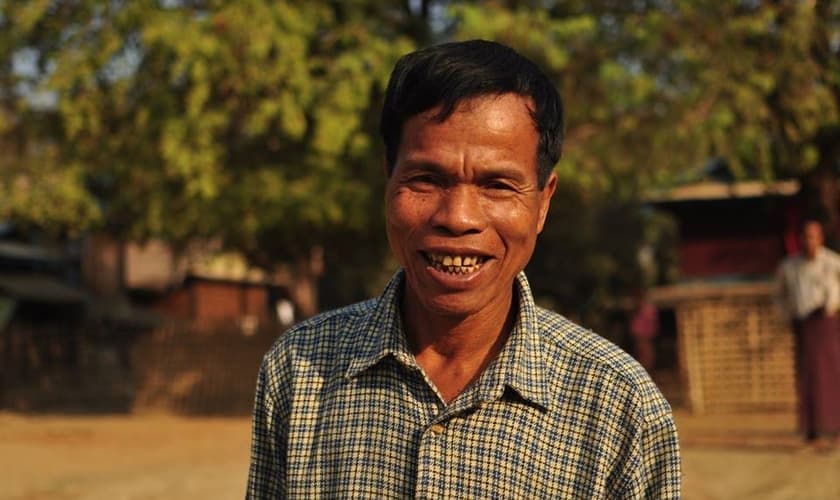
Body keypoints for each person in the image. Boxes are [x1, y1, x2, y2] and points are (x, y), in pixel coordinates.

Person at [246, 40, 680, 498]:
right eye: (426, 180)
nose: (458, 217)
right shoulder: (300, 370)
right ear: (388, 180)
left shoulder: (618, 405)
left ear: (542, 202)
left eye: (496, 185)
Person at [777, 218, 840, 450]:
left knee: (831, 376)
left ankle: (835, 429)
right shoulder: (788, 266)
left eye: (813, 236)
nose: (809, 241)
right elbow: (779, 295)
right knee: (807, 377)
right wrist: (787, 315)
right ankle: (811, 430)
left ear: (820, 238)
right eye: (805, 236)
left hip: (827, 323)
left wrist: (833, 304)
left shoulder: (833, 263)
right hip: (803, 324)